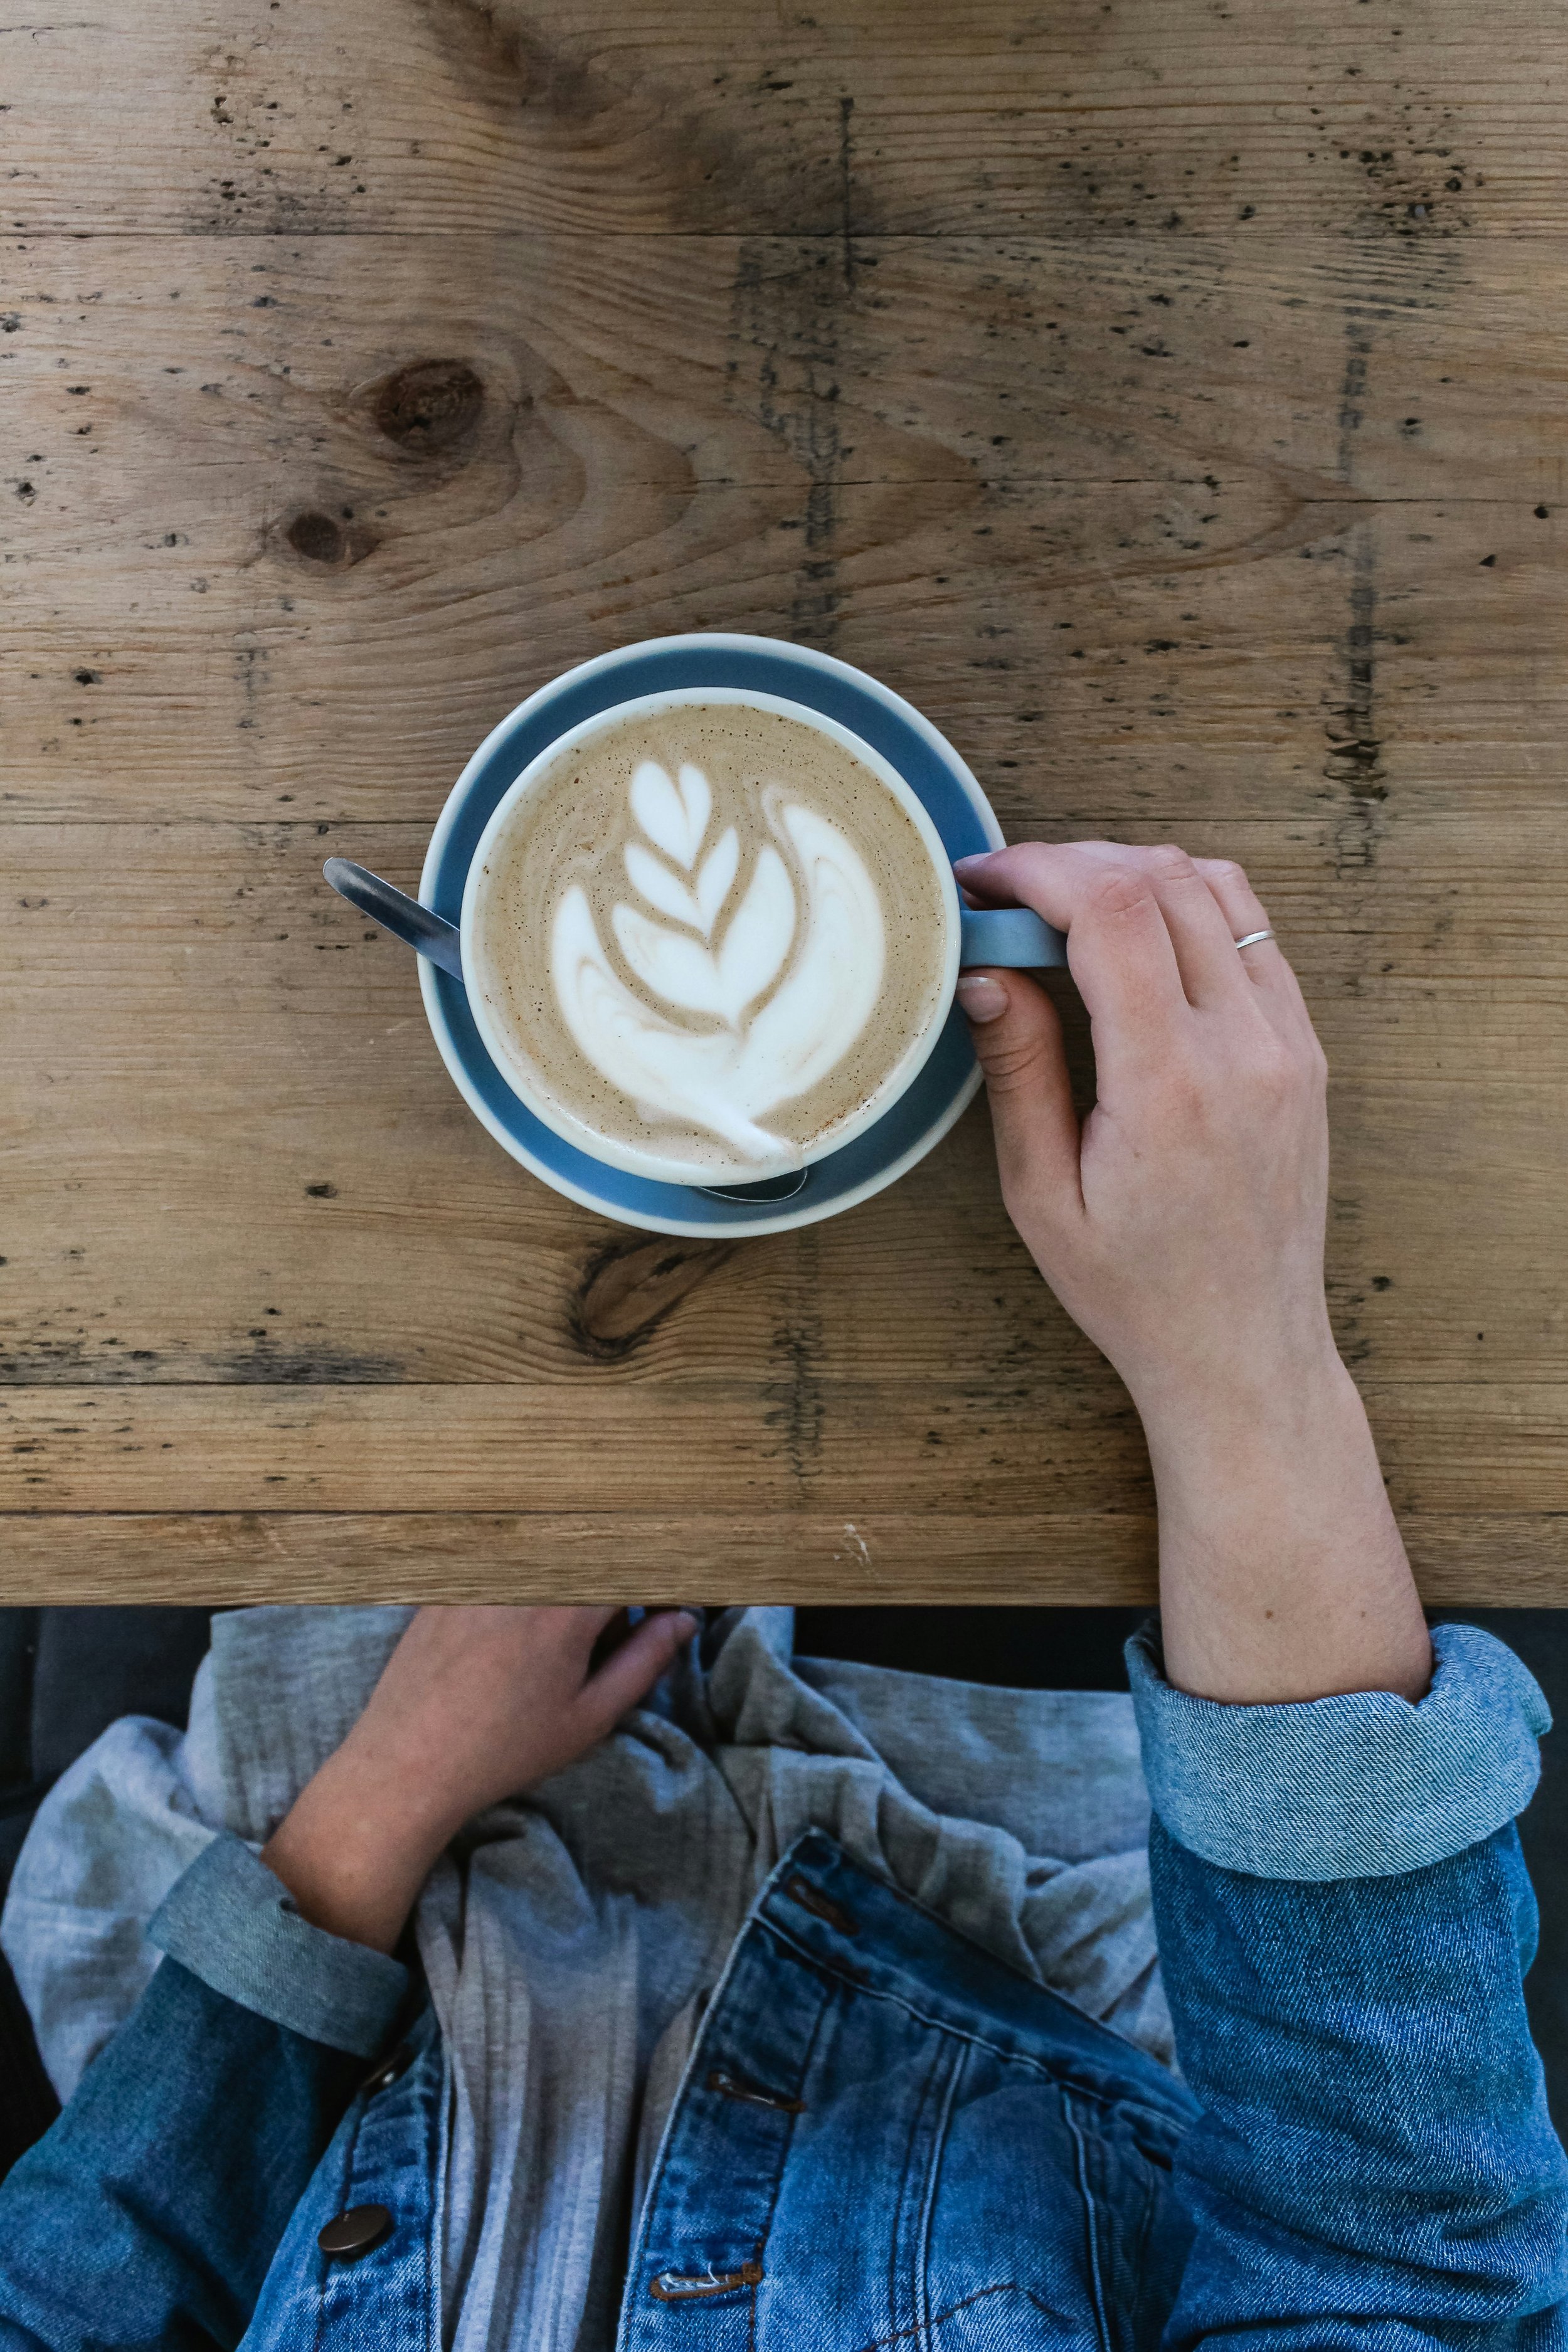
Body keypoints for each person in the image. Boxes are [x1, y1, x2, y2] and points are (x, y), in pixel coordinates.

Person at [1, 839, 1564, 2350]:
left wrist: (381, 1804)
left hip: (395, 1882)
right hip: (1043, 1891)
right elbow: (1388, 2263)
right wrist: (1239, 1350)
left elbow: (74, 2299)